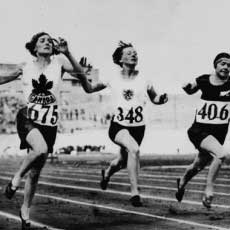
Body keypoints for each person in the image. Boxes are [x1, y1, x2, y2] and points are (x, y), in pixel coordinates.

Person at [1, 32, 104, 229]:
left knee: (36, 171)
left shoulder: (60, 64)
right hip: (28, 117)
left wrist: (68, 52)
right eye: (42, 40)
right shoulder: (25, 67)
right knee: (39, 149)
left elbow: (82, 74)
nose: (47, 43)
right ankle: (15, 179)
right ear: (34, 47)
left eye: (50, 40)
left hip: (49, 123)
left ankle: (25, 210)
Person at [99, 41, 168, 207]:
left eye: (135, 52)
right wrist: (82, 76)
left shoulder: (144, 79)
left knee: (122, 161)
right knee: (134, 150)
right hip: (119, 126)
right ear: (120, 59)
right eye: (129, 53)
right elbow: (90, 88)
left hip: (138, 127)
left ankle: (107, 173)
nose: (133, 55)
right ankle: (135, 193)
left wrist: (161, 99)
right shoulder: (112, 78)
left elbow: (154, 98)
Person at [175, 52, 230, 209]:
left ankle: (182, 182)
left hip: (219, 133)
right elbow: (190, 90)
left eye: (229, 65)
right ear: (215, 65)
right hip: (199, 130)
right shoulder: (204, 80)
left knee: (197, 166)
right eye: (222, 63)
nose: (226, 67)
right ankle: (209, 189)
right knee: (221, 154)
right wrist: (185, 85)